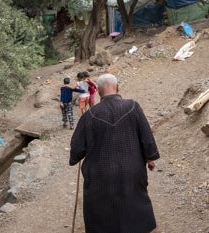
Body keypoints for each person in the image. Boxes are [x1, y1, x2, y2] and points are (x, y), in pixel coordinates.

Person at [69, 73, 160, 233]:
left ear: (98, 91)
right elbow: (147, 137)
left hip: (100, 175)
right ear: (117, 88)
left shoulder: (89, 116)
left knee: (102, 212)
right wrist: (149, 157)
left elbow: (77, 150)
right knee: (134, 205)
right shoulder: (133, 106)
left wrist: (75, 157)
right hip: (132, 170)